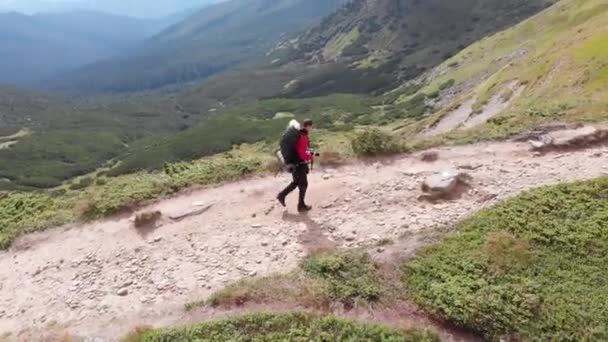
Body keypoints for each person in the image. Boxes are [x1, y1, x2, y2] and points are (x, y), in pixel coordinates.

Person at [277, 119, 314, 212]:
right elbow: (302, 152)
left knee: (296, 182)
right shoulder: (303, 136)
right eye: (312, 126)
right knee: (303, 184)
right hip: (299, 163)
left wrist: (308, 153)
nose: (312, 128)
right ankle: (301, 206)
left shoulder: (297, 135)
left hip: (294, 162)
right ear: (308, 126)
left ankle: (281, 195)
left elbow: (300, 149)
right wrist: (310, 156)